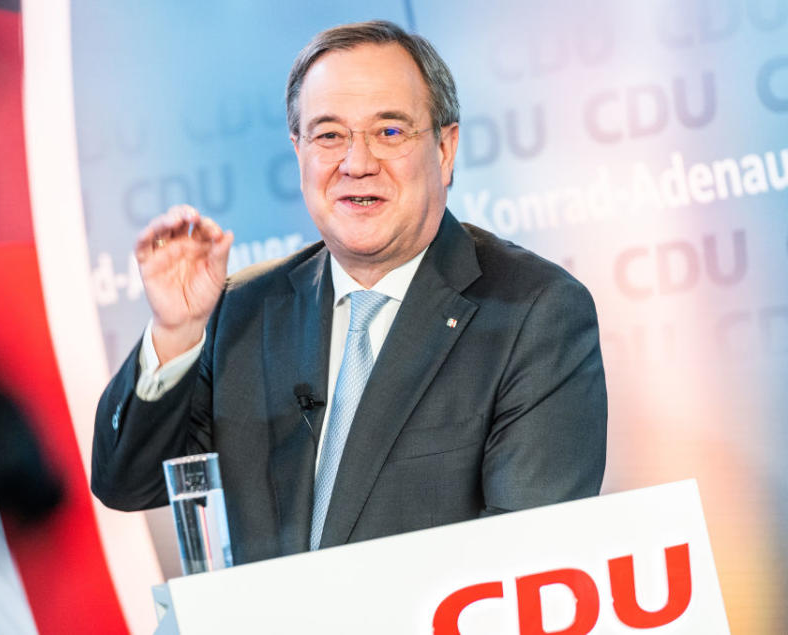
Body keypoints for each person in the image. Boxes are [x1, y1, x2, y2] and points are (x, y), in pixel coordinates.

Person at [91, 20, 606, 565]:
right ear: (299, 151)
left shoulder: (536, 312)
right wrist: (176, 334)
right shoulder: (238, 313)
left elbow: (530, 563)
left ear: (446, 149)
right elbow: (128, 482)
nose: (356, 164)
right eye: (330, 135)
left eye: (389, 132)